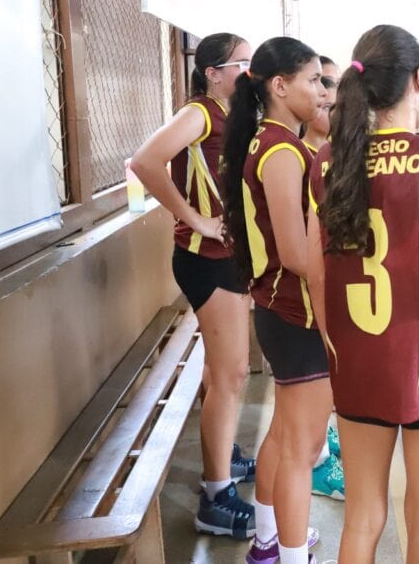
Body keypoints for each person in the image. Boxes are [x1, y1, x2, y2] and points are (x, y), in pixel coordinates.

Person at [306, 25, 419, 564]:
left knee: (362, 517)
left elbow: (318, 273)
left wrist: (335, 345)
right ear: (418, 81)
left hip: (358, 361)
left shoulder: (326, 161)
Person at [130, 33, 257, 538]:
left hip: (225, 258)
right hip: (208, 258)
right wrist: (193, 219)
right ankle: (215, 498)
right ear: (212, 71)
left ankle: (222, 454)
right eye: (241, 64)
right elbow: (143, 162)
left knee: (222, 370)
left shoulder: (228, 114)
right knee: (231, 375)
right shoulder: (201, 112)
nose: (249, 71)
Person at [220, 37, 330, 564]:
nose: (322, 90)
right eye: (314, 79)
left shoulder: (277, 142)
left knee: (286, 436)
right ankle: (291, 554)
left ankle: (268, 542)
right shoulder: (283, 150)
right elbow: (294, 250)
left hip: (280, 311)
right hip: (295, 314)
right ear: (280, 86)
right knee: (303, 450)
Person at [301, 74, 346, 502]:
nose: (328, 108)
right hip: (300, 299)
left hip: (315, 293)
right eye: (324, 103)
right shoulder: (307, 158)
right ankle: (316, 463)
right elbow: (307, 257)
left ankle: (321, 448)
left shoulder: (327, 157)